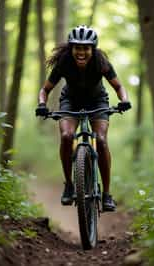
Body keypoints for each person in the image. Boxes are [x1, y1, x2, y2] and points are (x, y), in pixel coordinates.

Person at [35, 25, 131, 212]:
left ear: (92, 49)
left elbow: (119, 87)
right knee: (66, 136)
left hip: (97, 101)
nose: (81, 52)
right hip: (70, 102)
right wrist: (41, 104)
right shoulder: (64, 63)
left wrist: (124, 100)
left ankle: (107, 194)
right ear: (71, 48)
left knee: (101, 141)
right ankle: (70, 185)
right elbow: (45, 89)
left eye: (86, 48)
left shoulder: (101, 62)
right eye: (77, 48)